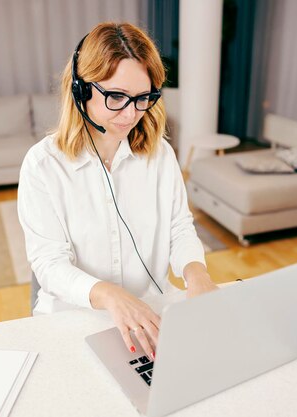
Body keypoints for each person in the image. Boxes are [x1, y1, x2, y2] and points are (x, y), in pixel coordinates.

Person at [18, 22, 218, 360]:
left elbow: (179, 228)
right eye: (115, 97)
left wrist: (196, 273)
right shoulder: (42, 166)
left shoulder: (160, 155)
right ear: (81, 90)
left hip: (153, 315)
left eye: (143, 99)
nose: (130, 114)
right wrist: (110, 295)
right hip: (74, 322)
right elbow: (49, 265)